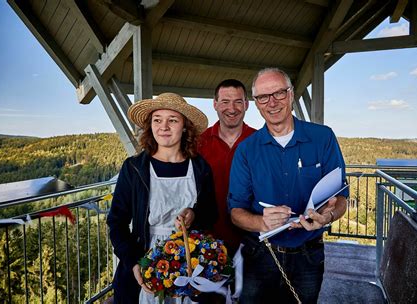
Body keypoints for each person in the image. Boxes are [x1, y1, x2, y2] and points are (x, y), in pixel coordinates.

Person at [227, 68, 349, 304]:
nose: (272, 103)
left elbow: (341, 197)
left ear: (291, 94)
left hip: (309, 255)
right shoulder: (246, 150)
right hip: (261, 255)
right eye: (263, 97)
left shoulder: (323, 138)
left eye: (279, 93)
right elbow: (235, 212)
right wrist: (261, 222)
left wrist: (329, 215)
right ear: (256, 103)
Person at [107, 92, 218, 303]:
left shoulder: (200, 167)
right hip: (145, 260)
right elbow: (116, 222)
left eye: (172, 120)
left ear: (185, 126)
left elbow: (211, 213)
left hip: (189, 262)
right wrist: (133, 262)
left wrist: (194, 214)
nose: (163, 126)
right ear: (150, 126)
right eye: (157, 120)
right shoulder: (134, 168)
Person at [198, 79, 256, 254]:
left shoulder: (260, 142)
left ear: (246, 104)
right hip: (207, 242)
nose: (232, 109)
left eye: (238, 102)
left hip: (252, 241)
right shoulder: (198, 143)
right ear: (215, 104)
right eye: (225, 102)